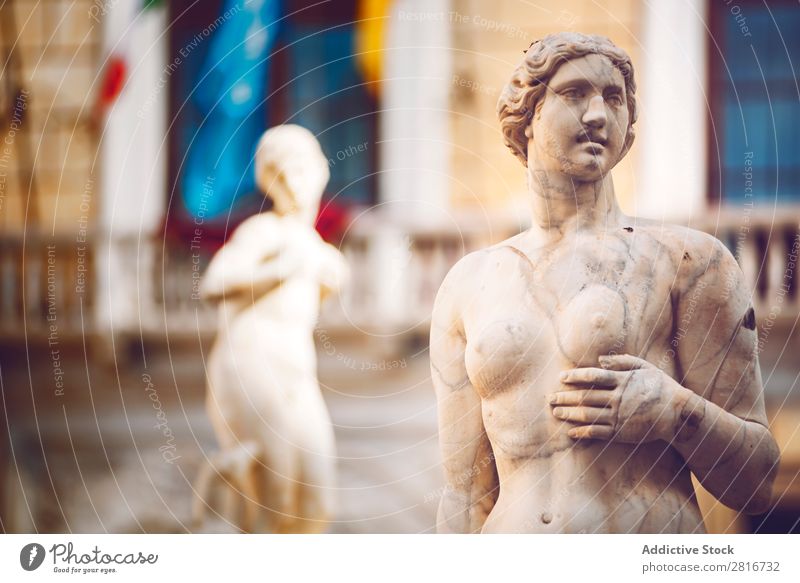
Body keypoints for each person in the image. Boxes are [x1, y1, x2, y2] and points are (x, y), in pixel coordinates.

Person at [430, 32, 779, 533]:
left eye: (614, 99)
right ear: (526, 117)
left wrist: (673, 409)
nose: (598, 115)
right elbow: (463, 497)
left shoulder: (689, 261)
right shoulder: (467, 284)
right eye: (574, 94)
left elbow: (759, 483)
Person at [194, 125, 347, 533]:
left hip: (296, 374)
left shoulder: (322, 254)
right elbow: (214, 282)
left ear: (321, 172)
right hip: (252, 365)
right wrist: (280, 268)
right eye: (280, 172)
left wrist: (313, 264)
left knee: (317, 495)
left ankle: (229, 483)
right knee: (275, 496)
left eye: (300, 168)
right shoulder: (265, 233)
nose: (293, 180)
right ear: (269, 182)